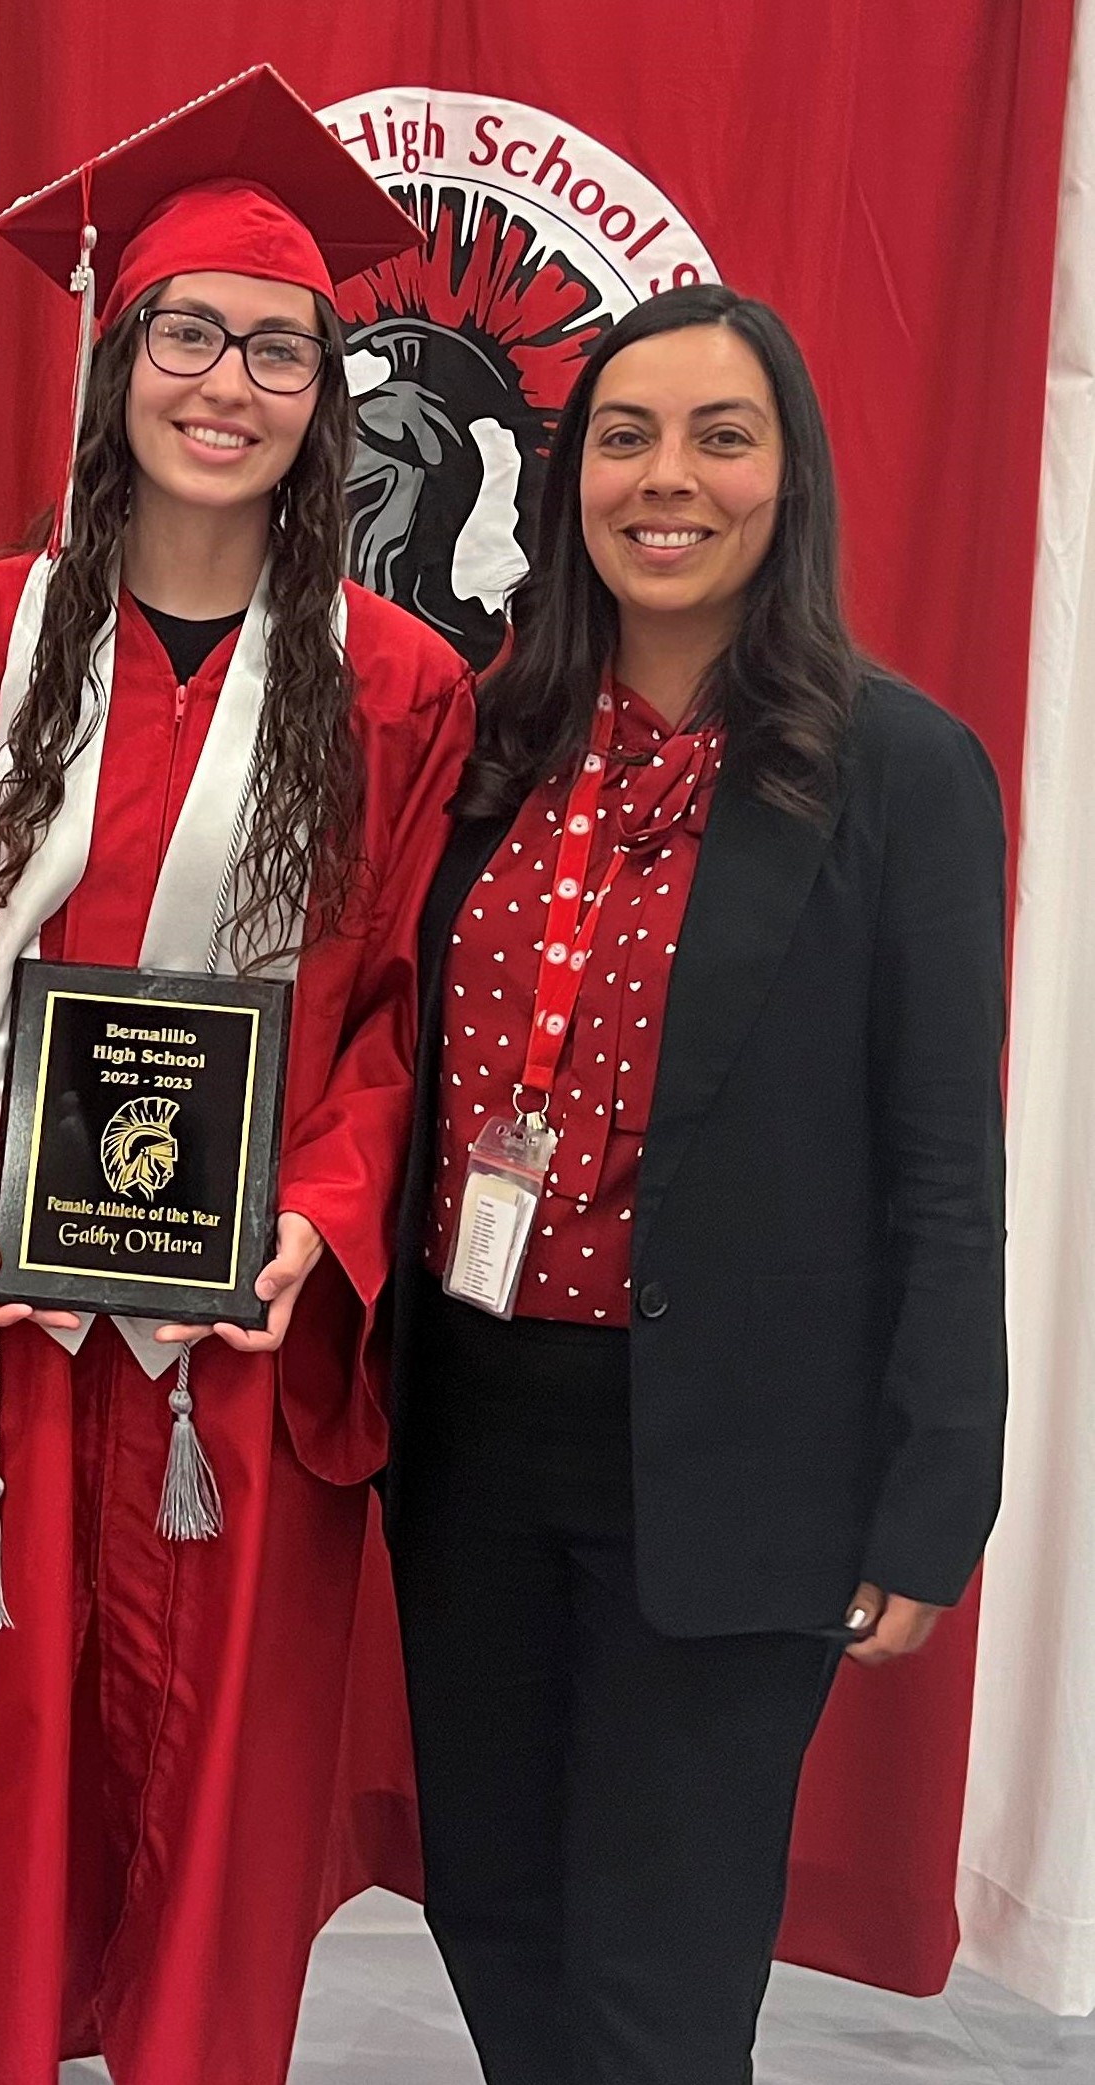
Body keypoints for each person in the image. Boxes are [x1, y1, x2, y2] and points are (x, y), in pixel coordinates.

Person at [0, 67, 473, 2085]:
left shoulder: (400, 688)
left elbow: (396, 1023)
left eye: (278, 349)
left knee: (206, 1810)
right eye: (188, 332)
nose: (226, 385)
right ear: (118, 356)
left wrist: (318, 1221)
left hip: (229, 1352)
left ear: (322, 398)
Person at [385, 281, 1009, 2082]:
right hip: (473, 1441)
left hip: (735, 1464)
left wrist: (931, 1494)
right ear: (568, 475)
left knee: (656, 1983)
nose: (668, 478)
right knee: (497, 1916)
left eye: (720, 438)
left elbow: (942, 1164)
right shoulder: (485, 744)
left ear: (786, 477)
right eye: (625, 437)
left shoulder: (899, 769)